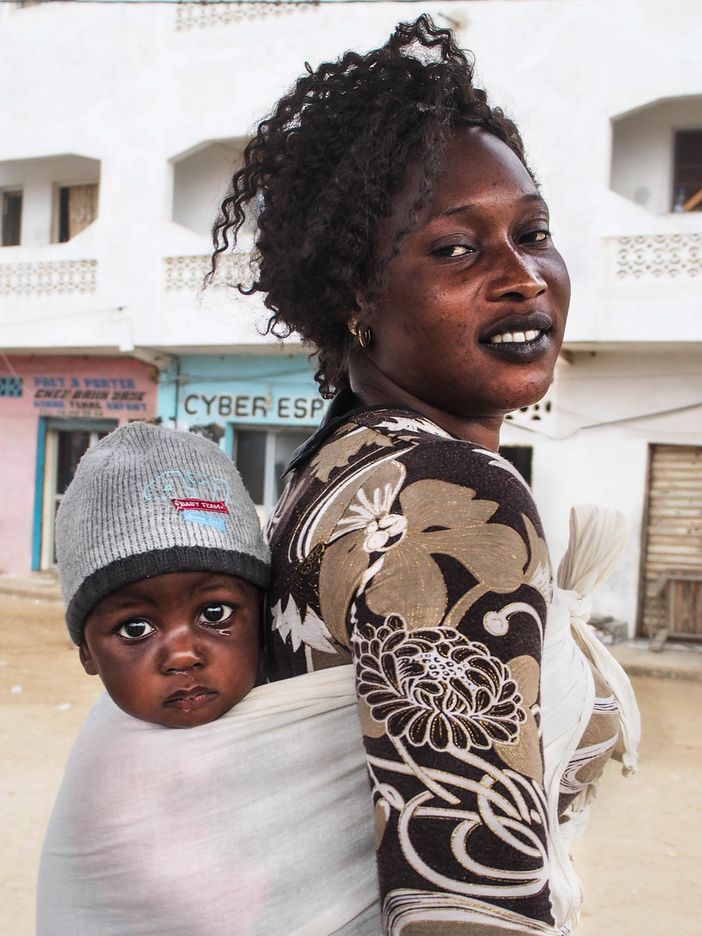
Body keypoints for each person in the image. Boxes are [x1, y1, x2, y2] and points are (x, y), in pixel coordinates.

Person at [211, 14, 640, 935]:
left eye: (534, 231)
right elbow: (464, 897)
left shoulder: (334, 467)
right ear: (358, 296)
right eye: (457, 247)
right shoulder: (441, 497)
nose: (524, 276)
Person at [37, 422, 381, 935]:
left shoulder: (309, 714)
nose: (182, 654)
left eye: (216, 613)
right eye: (136, 627)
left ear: (263, 613)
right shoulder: (108, 774)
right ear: (86, 652)